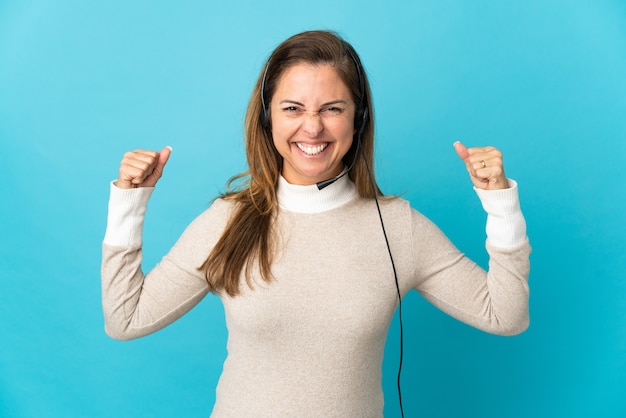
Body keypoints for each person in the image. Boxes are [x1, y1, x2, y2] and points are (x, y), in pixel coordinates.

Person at [101, 30, 530, 417]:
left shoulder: (398, 227)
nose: (312, 126)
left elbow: (505, 315)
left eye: (332, 108)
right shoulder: (227, 223)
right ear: (268, 117)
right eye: (292, 108)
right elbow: (126, 319)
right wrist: (129, 202)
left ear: (357, 119)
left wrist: (499, 202)